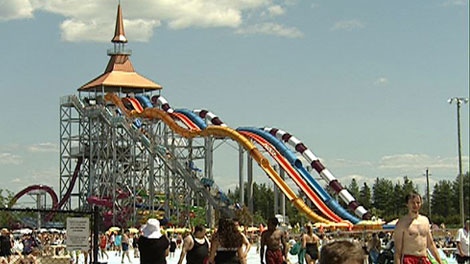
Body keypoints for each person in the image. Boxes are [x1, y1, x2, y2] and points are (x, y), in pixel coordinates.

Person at [393, 191, 443, 264]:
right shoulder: (401, 223)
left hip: (423, 259)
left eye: (418, 202)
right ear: (407, 204)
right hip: (409, 259)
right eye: (412, 202)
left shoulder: (425, 221)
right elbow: (397, 251)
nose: (415, 205)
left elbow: (431, 245)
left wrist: (440, 262)